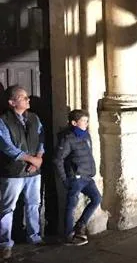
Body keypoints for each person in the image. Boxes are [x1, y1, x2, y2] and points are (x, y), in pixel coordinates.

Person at [0, 86, 44, 259]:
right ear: (12, 102)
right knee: (7, 208)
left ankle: (34, 236)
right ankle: (5, 243)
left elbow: (41, 138)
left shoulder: (34, 117)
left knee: (33, 204)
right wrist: (30, 159)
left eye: (27, 97)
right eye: (23, 97)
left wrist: (39, 158)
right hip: (14, 172)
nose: (27, 100)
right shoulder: (3, 121)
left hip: (34, 171)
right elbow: (6, 146)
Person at [53, 109, 101, 246]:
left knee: (97, 198)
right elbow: (58, 160)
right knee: (71, 206)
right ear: (74, 123)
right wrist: (65, 179)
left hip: (87, 176)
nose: (86, 123)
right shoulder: (68, 139)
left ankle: (80, 225)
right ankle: (68, 235)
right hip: (76, 178)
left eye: (87, 120)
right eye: (83, 121)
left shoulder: (86, 135)